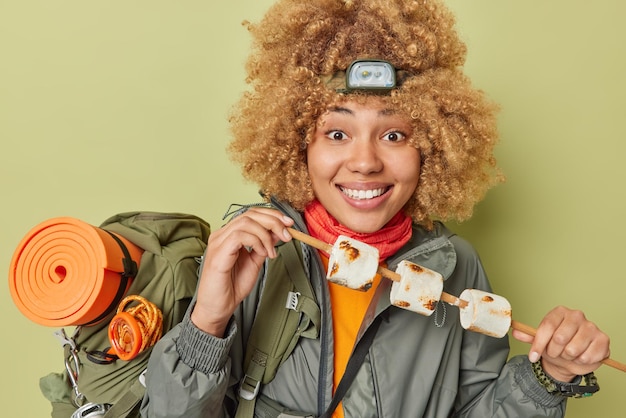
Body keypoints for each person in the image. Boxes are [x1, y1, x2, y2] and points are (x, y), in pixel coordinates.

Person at [140, 0, 611, 417]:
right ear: (297, 145)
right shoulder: (252, 253)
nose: (365, 162)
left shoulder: (458, 265)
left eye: (393, 135)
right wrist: (207, 320)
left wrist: (550, 376)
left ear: (431, 146)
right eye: (337, 133)